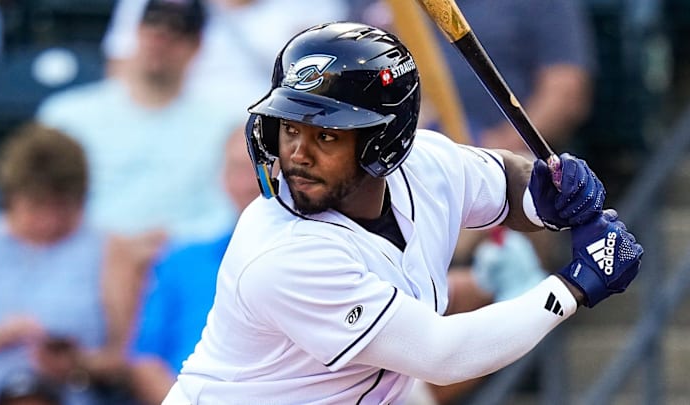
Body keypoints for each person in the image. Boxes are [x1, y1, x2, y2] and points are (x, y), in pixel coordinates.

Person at [161, 22, 643, 404]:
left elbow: (509, 182)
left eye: (326, 135)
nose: (297, 155)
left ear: (383, 142)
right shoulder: (281, 252)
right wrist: (574, 286)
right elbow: (443, 354)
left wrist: (552, 196)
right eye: (290, 129)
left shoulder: (425, 166)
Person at [0, 122, 154, 405]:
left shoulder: (110, 249)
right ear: (10, 198)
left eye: (62, 208)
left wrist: (78, 364)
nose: (49, 221)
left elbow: (126, 358)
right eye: (35, 207)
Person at [36, 0, 241, 244]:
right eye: (152, 27)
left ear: (196, 45)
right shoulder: (66, 115)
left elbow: (224, 211)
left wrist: (168, 242)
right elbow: (42, 200)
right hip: (81, 254)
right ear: (136, 32)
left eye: (175, 34)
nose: (159, 41)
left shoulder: (224, 126)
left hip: (176, 259)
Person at [127, 123, 258, 404]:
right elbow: (144, 360)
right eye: (237, 169)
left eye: (258, 169)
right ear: (222, 178)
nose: (247, 184)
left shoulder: (315, 261)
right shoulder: (180, 261)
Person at [101, 0, 350, 110]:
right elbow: (121, 71)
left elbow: (325, 80)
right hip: (176, 124)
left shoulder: (313, 4)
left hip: (269, 132)